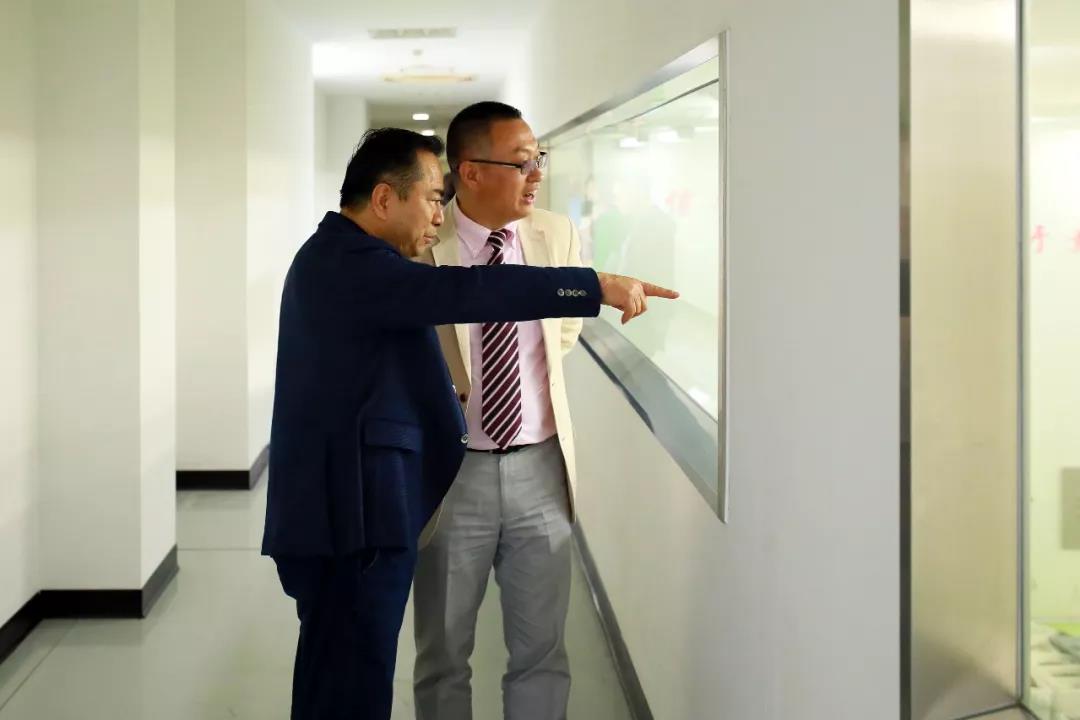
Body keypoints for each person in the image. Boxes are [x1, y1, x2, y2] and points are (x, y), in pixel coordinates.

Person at [260, 127, 677, 720]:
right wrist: (595, 285)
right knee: (350, 688)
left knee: (341, 679)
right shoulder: (351, 264)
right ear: (384, 199)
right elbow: (466, 290)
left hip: (354, 515)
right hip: (352, 523)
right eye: (433, 198)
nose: (440, 215)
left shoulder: (341, 258)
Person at [411, 101, 587, 720]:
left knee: (543, 652)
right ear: (471, 170)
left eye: (539, 159)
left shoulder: (554, 233)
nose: (536, 174)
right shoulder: (422, 245)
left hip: (542, 468)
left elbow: (564, 331)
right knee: (443, 654)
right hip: (453, 476)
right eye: (522, 162)